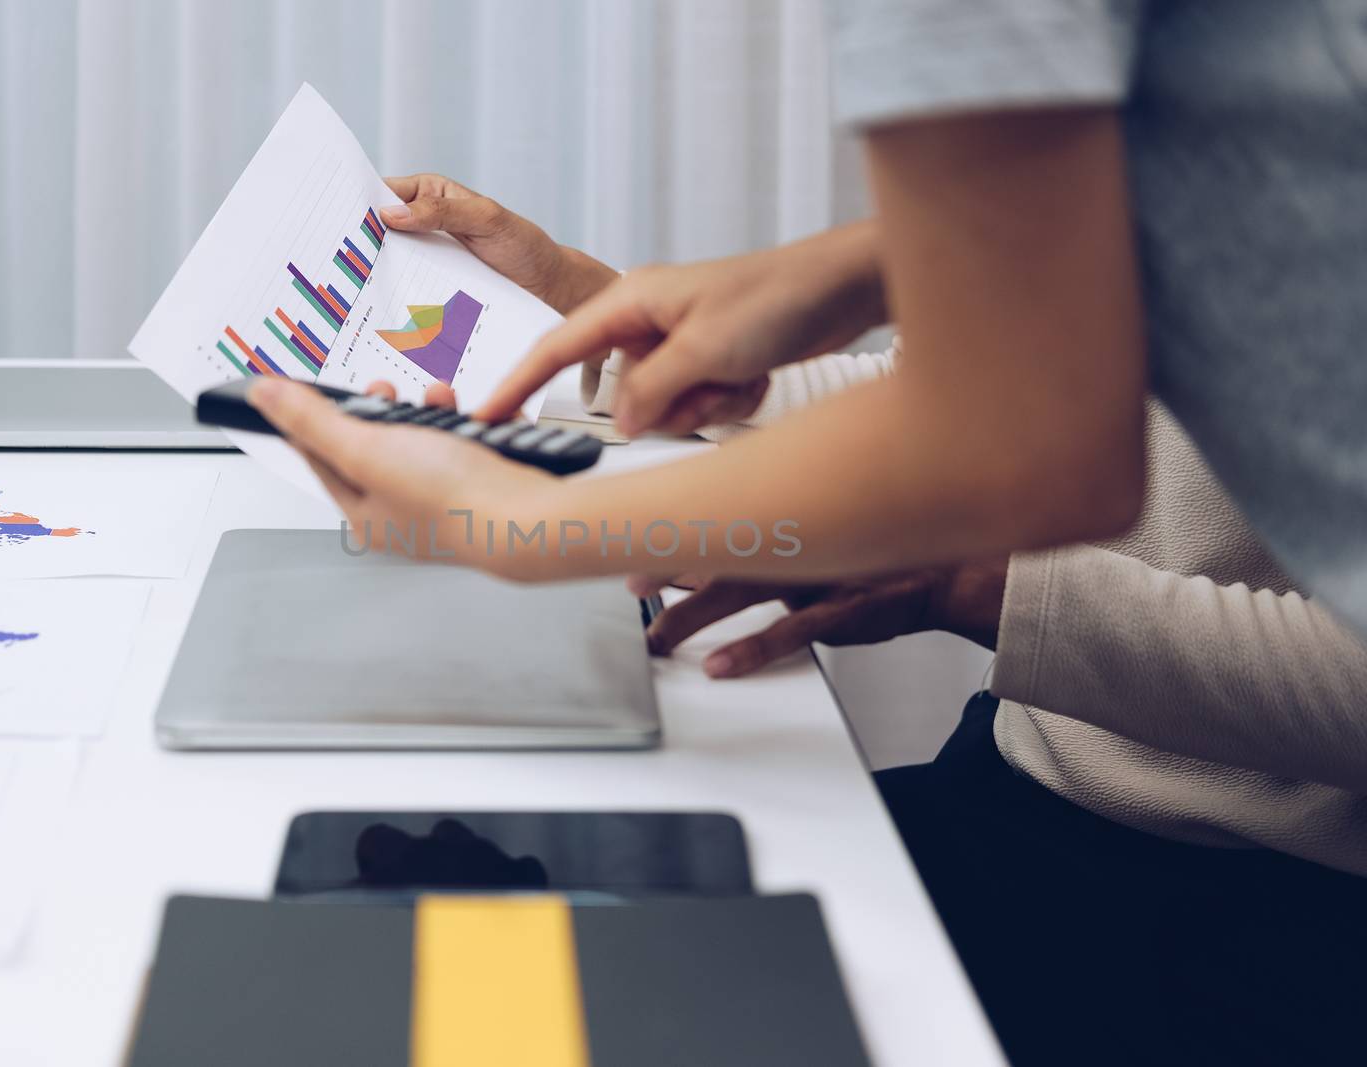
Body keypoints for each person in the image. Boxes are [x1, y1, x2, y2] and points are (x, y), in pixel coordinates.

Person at [312, 174, 1367, 1062]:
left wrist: (966, 583)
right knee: (492, 958)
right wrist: (583, 310)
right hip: (1019, 793)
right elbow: (954, 402)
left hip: (1280, 917)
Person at [249, 2, 1367, 648]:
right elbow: (1043, 349)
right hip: (1046, 792)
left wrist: (521, 529)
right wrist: (586, 302)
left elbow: (1025, 445)